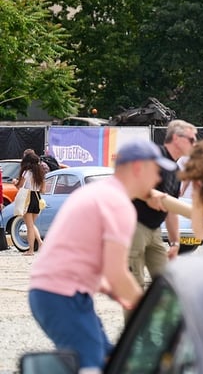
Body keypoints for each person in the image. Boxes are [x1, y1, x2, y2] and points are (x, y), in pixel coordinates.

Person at [29, 139, 175, 373]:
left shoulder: (97, 192)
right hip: (63, 295)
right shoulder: (118, 205)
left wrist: (109, 288)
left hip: (55, 293)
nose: (158, 180)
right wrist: (149, 313)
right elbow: (117, 273)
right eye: (156, 171)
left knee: (109, 358)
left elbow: (83, 254)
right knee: (90, 366)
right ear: (138, 168)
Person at [128, 119, 195, 297]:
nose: (194, 144)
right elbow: (131, 182)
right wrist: (149, 195)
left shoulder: (175, 169)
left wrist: (175, 243)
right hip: (135, 225)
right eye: (191, 139)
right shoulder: (155, 154)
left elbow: (170, 210)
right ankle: (135, 324)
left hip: (154, 230)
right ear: (176, 138)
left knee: (167, 282)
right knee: (135, 285)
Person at [18, 151, 46, 255]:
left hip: (28, 198)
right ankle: (40, 242)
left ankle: (30, 250)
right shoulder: (41, 174)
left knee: (29, 226)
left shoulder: (26, 173)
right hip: (37, 198)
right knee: (31, 224)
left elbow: (20, 186)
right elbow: (43, 190)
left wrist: (14, 182)